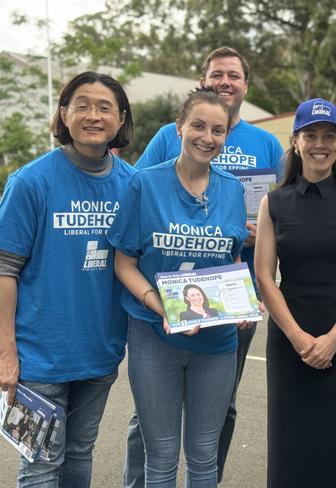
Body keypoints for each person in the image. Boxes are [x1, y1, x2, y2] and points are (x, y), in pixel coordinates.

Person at [126, 46, 283, 486]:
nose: (225, 82)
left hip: (227, 311)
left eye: (234, 75)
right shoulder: (158, 156)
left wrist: (248, 283)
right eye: (217, 74)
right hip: (156, 317)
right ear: (182, 126)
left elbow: (259, 231)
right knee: (155, 436)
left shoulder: (263, 148)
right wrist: (160, 304)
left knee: (209, 434)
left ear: (244, 86)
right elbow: (139, 216)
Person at [107, 88, 249, 485]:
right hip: (156, 335)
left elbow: (232, 256)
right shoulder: (144, 184)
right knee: (162, 454)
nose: (207, 137)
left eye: (218, 130)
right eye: (198, 126)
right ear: (179, 128)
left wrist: (241, 300)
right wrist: (160, 305)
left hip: (216, 340)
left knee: (204, 455)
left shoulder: (233, 189)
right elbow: (124, 261)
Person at [0, 71, 135, 487]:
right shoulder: (31, 181)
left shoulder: (132, 184)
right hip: (38, 358)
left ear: (121, 119)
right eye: (82, 105)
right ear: (64, 114)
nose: (93, 115)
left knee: (79, 454)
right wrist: (6, 352)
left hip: (99, 354)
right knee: (40, 465)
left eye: (104, 107)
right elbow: (4, 270)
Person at [255, 98, 336, 487]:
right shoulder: (273, 202)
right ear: (295, 141)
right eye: (310, 135)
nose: (319, 144)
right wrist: (298, 337)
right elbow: (264, 276)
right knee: (293, 447)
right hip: (290, 340)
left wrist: (333, 339)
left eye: (329, 136)